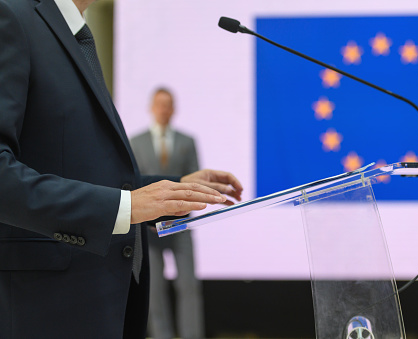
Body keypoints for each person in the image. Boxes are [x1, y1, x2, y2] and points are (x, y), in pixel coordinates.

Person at [0, 1, 243, 338]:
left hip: (100, 305)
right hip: (46, 307)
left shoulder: (75, 35)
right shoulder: (12, 17)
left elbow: (83, 173)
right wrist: (124, 207)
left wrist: (175, 186)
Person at [130, 88, 204, 339]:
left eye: (168, 105)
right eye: (159, 104)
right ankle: (161, 335)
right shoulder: (136, 142)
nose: (164, 109)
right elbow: (134, 182)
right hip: (149, 229)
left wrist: (179, 213)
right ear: (152, 107)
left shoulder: (187, 141)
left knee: (188, 285)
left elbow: (196, 183)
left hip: (181, 225)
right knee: (155, 288)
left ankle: (192, 334)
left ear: (174, 108)